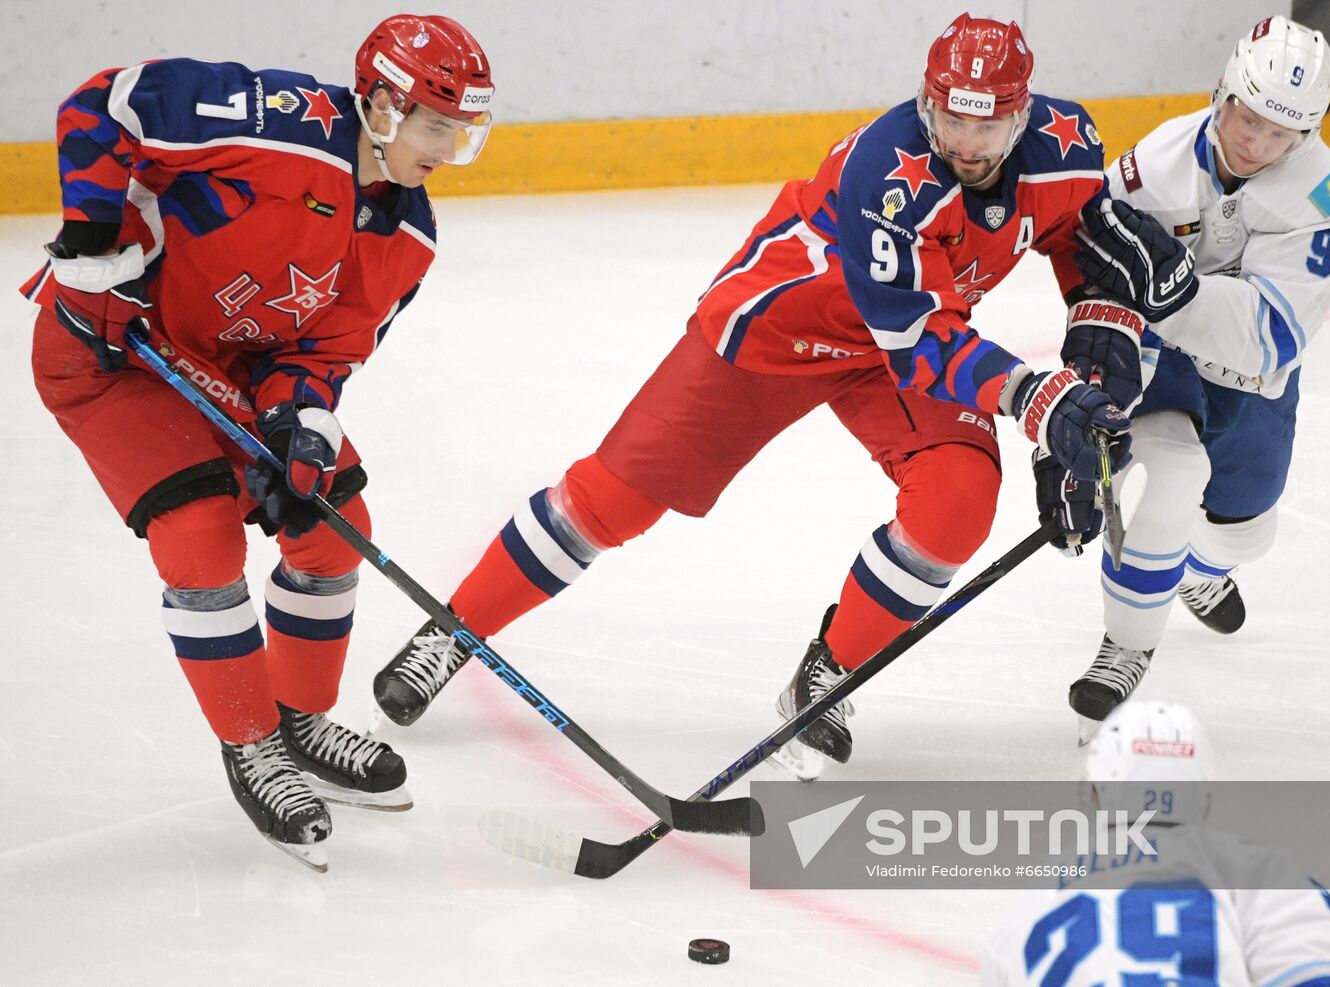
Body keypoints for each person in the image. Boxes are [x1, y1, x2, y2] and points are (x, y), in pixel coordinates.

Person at [374, 12, 1133, 779]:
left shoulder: (1067, 151)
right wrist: (1040, 399)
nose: (966, 146)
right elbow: (915, 335)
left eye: (990, 126)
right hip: (785, 324)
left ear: (1025, 114)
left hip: (910, 343)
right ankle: (451, 630)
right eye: (950, 121)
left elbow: (1083, 250)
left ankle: (828, 672)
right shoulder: (889, 169)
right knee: (614, 500)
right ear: (926, 102)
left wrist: (1089, 402)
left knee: (958, 501)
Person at [22, 14, 495, 869]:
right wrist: (94, 238)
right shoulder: (278, 120)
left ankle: (301, 721)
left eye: (465, 133)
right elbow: (103, 106)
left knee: (333, 528)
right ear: (382, 107)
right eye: (438, 125)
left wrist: (300, 425)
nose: (448, 150)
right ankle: (252, 745)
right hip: (113, 355)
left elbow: (322, 353)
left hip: (224, 371)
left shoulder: (408, 238)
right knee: (199, 532)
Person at [1063, 15, 1330, 729]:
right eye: (1243, 116)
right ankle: (1125, 646)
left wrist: (1177, 288)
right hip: (1163, 360)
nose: (1250, 142)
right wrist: (1091, 380)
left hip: (1251, 379)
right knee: (1172, 475)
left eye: (1276, 135)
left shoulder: (1323, 196)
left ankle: (1195, 565)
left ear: (1305, 136)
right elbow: (1091, 276)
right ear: (1220, 90)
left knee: (1246, 531)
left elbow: (1272, 335)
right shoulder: (1150, 167)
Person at [980, 700, 1330, 984]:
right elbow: (1323, 972)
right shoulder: (1254, 870)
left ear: (1097, 792)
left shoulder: (1042, 894)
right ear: (1202, 793)